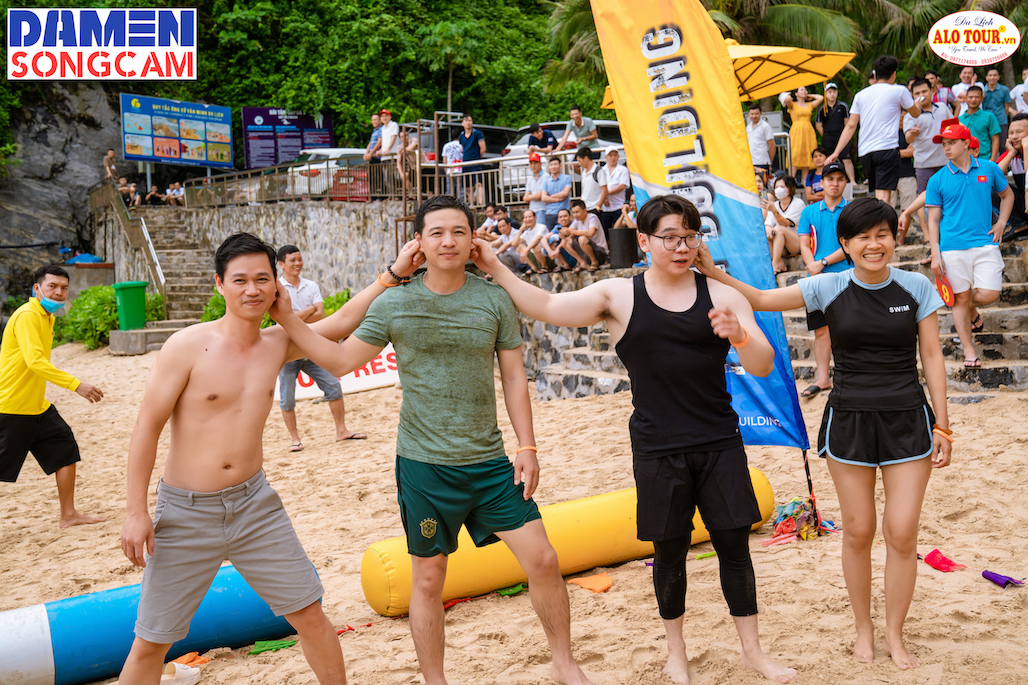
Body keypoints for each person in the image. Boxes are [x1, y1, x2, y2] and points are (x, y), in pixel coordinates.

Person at [269, 195, 597, 685]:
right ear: (418, 242)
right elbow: (339, 360)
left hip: (490, 463)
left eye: (459, 231)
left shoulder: (494, 299)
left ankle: (564, 664)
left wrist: (527, 447)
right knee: (427, 579)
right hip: (424, 467)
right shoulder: (394, 303)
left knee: (545, 560)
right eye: (437, 232)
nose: (448, 241)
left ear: (473, 240)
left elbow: (513, 377)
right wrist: (285, 317)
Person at [472, 193, 796, 685]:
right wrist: (496, 266)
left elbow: (763, 364)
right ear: (643, 241)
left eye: (690, 237)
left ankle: (753, 651)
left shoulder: (722, 295)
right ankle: (675, 653)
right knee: (669, 551)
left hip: (718, 440)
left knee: (735, 547)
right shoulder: (618, 296)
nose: (682, 247)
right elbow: (547, 305)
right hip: (656, 445)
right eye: (670, 238)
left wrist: (740, 335)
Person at [117, 232, 425, 685]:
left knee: (311, 616)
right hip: (186, 511)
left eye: (263, 279)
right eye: (240, 280)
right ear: (219, 284)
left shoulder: (277, 343)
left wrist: (393, 274)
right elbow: (147, 428)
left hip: (254, 506)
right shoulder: (186, 346)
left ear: (276, 285)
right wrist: (136, 511)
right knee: (151, 641)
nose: (252, 289)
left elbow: (341, 322)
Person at [695, 196, 952, 671]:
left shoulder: (915, 286)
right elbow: (763, 300)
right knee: (858, 530)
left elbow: (932, 355)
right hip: (849, 421)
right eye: (862, 237)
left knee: (901, 533)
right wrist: (713, 272)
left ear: (895, 237)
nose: (874, 244)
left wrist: (943, 423)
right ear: (845, 244)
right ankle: (864, 630)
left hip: (907, 421)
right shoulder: (828, 285)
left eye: (882, 234)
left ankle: (895, 635)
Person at [0, 265, 105, 528]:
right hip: (12, 406)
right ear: (37, 288)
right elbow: (35, 362)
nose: (59, 292)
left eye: (64, 287)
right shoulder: (27, 316)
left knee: (64, 449)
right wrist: (75, 385)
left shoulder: (46, 317)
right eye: (52, 286)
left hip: (37, 406)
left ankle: (68, 515)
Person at [925, 118, 1014, 367]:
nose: (946, 148)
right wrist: (935, 254)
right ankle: (969, 351)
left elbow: (1007, 195)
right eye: (944, 143)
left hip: (985, 243)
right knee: (960, 299)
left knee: (989, 293)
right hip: (952, 248)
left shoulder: (988, 168)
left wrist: (1001, 222)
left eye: (952, 143)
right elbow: (933, 220)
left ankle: (966, 307)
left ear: (966, 143)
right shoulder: (937, 179)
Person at [276, 245, 366, 452]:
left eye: (300, 259)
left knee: (333, 386)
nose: (298, 263)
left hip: (312, 346)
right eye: (293, 260)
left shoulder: (311, 285)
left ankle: (342, 431)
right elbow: (281, 320)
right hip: (288, 350)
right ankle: (295, 439)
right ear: (281, 264)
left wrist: (293, 317)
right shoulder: (277, 289)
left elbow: (321, 315)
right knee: (287, 397)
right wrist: (309, 310)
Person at [826, 55, 922, 204]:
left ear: (875, 74)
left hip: (865, 151)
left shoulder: (860, 95)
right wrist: (917, 105)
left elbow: (851, 125)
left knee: (878, 192)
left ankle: (879, 217)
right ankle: (882, 219)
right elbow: (915, 113)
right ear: (894, 74)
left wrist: (836, 152)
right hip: (886, 148)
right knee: (884, 195)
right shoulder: (899, 90)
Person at [796, 162, 850, 398]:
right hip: (816, 278)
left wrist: (823, 262)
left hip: (846, 277)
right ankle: (823, 379)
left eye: (839, 179)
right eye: (830, 179)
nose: (834, 183)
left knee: (849, 330)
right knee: (820, 330)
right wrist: (813, 266)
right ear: (822, 182)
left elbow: (852, 245)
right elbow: (804, 244)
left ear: (845, 182)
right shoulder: (809, 211)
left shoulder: (852, 210)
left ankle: (849, 377)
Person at [902, 78, 951, 244]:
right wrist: (912, 134)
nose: (921, 95)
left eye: (924, 91)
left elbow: (952, 126)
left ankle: (946, 230)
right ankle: (927, 234)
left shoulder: (943, 108)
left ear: (932, 91)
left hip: (946, 161)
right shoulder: (910, 115)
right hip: (924, 164)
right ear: (912, 96)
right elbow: (908, 137)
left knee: (948, 196)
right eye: (917, 93)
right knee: (924, 199)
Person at [816, 83, 856, 191]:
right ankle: (827, 181)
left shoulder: (843, 106)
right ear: (826, 94)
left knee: (846, 159)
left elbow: (847, 122)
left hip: (842, 137)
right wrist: (826, 135)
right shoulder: (822, 109)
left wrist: (844, 135)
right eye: (829, 92)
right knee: (828, 160)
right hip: (828, 138)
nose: (832, 94)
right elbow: (818, 125)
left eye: (834, 91)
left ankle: (852, 181)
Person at [764, 175, 806, 274]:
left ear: (790, 188)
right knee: (764, 233)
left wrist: (775, 211)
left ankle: (775, 264)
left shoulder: (798, 203)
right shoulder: (775, 205)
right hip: (780, 244)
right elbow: (768, 223)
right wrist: (768, 229)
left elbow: (786, 223)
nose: (778, 189)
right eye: (776, 187)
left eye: (782, 187)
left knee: (779, 229)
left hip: (795, 242)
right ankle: (779, 262)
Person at [782, 87, 824, 186]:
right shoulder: (792, 105)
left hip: (808, 131)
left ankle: (804, 181)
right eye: (801, 90)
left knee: (807, 153)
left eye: (805, 90)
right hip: (796, 131)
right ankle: (790, 180)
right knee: (795, 154)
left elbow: (821, 98)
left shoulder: (809, 105)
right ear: (796, 93)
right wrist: (791, 95)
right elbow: (786, 99)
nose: (804, 91)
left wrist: (809, 96)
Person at [998, 113, 1028, 241]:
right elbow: (994, 176)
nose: (1014, 136)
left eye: (1019, 132)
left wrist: (1026, 148)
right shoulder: (1013, 154)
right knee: (994, 186)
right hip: (1024, 205)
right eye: (1011, 133)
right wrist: (1011, 153)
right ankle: (1020, 225)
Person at [959, 86, 1001, 162]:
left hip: (984, 158)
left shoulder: (989, 116)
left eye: (977, 97)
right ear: (966, 98)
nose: (973, 100)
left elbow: (995, 139)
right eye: (970, 97)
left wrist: (993, 159)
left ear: (982, 99)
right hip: (964, 160)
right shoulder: (960, 119)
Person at [567, 199, 608, 271]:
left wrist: (572, 232)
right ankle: (582, 263)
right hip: (586, 254)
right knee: (566, 241)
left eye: (577, 212)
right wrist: (564, 234)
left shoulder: (592, 218)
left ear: (585, 211)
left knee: (582, 238)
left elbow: (590, 233)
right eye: (573, 212)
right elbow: (569, 233)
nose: (575, 215)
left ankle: (594, 262)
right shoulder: (577, 221)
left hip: (600, 252)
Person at [599, 147, 630, 237]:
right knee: (605, 233)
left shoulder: (623, 169)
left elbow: (622, 185)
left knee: (620, 233)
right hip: (605, 207)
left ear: (618, 156)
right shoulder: (602, 170)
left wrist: (605, 193)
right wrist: (604, 198)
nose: (613, 157)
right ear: (606, 157)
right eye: (610, 155)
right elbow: (599, 187)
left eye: (615, 155)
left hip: (619, 205)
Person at [982, 67, 1013, 150]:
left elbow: (1006, 105)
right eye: (990, 75)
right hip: (987, 120)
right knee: (988, 145)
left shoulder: (1004, 89)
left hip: (1001, 119)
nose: (992, 77)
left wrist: (1004, 116)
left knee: (1003, 145)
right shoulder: (982, 91)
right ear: (986, 77)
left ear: (998, 77)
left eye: (995, 75)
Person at [459, 114, 487, 206]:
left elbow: (483, 148)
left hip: (475, 162)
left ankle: (480, 203)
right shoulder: (461, 135)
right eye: (466, 121)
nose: (468, 122)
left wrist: (477, 157)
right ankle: (472, 204)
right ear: (462, 123)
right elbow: (462, 148)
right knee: (468, 186)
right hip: (465, 163)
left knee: (478, 183)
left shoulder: (477, 133)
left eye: (470, 120)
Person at [541, 156, 572, 231]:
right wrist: (558, 199)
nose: (553, 167)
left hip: (563, 213)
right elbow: (543, 198)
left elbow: (565, 193)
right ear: (549, 167)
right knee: (551, 236)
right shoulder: (546, 182)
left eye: (555, 164)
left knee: (565, 234)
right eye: (551, 165)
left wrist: (550, 196)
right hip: (550, 214)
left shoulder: (567, 178)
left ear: (560, 166)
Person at [746, 104, 776, 179]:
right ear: (749, 114)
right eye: (752, 114)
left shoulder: (765, 126)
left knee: (762, 183)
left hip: (762, 161)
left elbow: (772, 145)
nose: (754, 116)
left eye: (756, 114)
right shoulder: (748, 127)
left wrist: (770, 160)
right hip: (750, 162)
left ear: (761, 113)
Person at [575, 148, 607, 216]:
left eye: (580, 161)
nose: (579, 164)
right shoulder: (584, 172)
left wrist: (598, 206)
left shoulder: (598, 171)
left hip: (594, 207)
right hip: (585, 207)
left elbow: (605, 190)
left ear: (586, 158)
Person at [516, 209, 549, 273]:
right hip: (535, 258)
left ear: (535, 218)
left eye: (530, 217)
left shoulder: (542, 227)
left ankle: (545, 267)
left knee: (536, 247)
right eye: (526, 217)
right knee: (519, 247)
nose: (528, 219)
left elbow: (537, 239)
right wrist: (520, 229)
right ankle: (533, 268)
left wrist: (526, 250)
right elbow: (515, 243)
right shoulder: (526, 232)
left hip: (547, 257)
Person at [441, 129, 463, 196]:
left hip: (450, 170)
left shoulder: (446, 145)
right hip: (460, 170)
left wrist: (446, 171)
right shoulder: (462, 145)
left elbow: (444, 161)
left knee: (449, 192)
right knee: (461, 192)